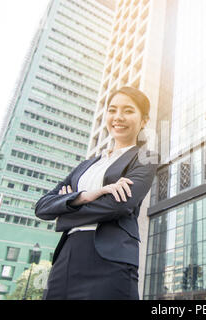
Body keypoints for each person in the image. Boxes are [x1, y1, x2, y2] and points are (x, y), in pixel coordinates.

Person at [35, 86, 158, 300]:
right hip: (67, 256)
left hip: (110, 259)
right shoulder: (87, 164)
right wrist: (85, 195)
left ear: (144, 120)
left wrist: (65, 212)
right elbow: (42, 207)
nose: (118, 117)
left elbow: (118, 204)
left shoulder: (146, 157)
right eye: (112, 110)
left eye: (128, 111)